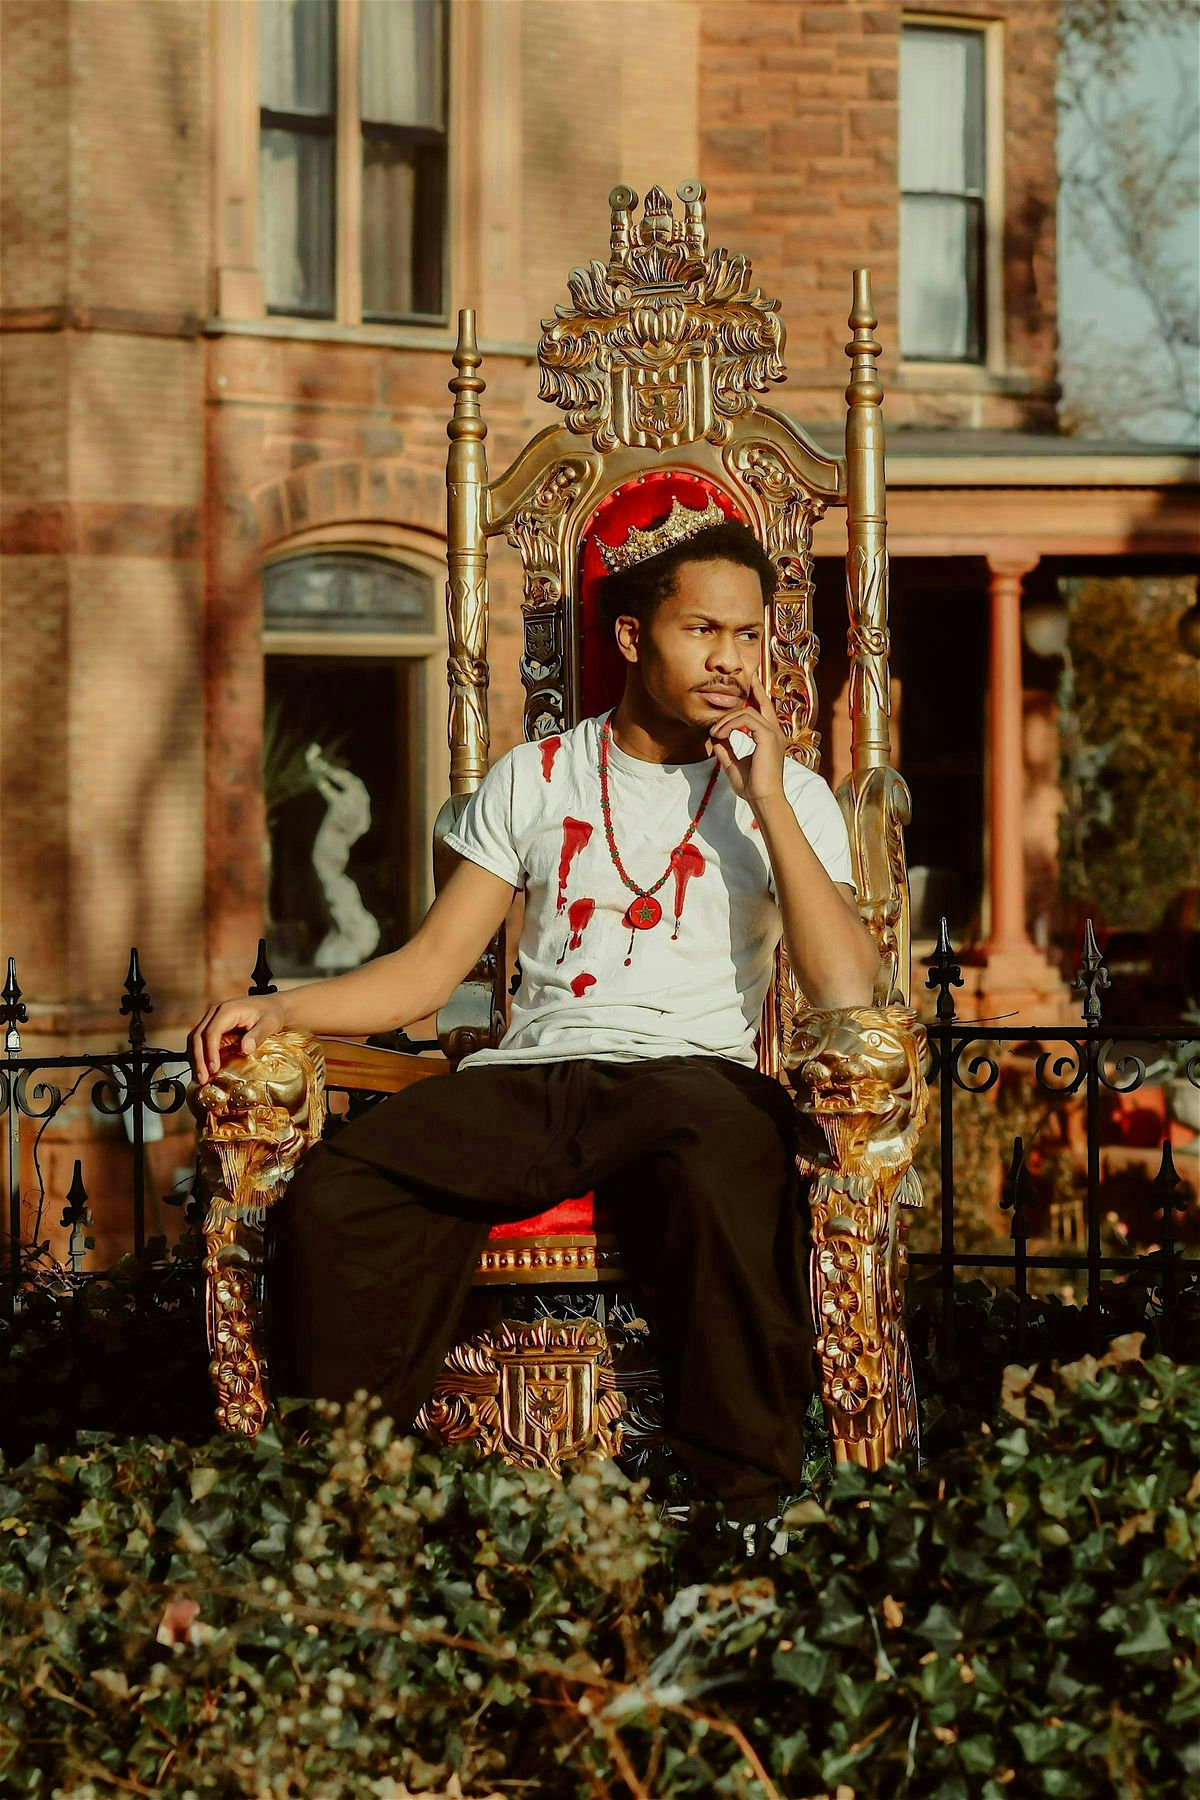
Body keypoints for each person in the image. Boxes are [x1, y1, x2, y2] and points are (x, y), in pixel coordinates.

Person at [188, 474, 880, 1532]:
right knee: (339, 1194)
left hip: (692, 1079)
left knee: (725, 1170)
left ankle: (743, 1509)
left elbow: (845, 986)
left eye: (749, 635)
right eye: (703, 630)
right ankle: (348, 1496)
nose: (732, 659)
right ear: (635, 637)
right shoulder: (537, 776)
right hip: (535, 1076)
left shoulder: (792, 798)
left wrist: (770, 801)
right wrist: (284, 1010)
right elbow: (428, 971)